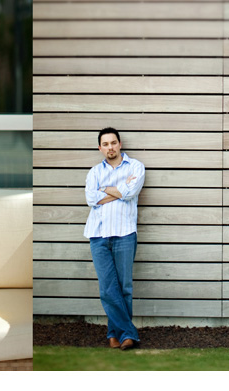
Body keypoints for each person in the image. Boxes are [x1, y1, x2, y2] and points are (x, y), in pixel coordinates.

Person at [83, 127, 146, 350]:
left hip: (125, 233)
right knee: (107, 288)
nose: (110, 147)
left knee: (124, 287)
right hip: (98, 235)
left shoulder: (136, 166)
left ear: (120, 144)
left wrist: (106, 190)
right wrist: (119, 188)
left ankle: (114, 334)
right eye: (105, 144)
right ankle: (128, 333)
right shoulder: (94, 172)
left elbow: (131, 193)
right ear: (100, 148)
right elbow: (91, 198)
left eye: (113, 143)